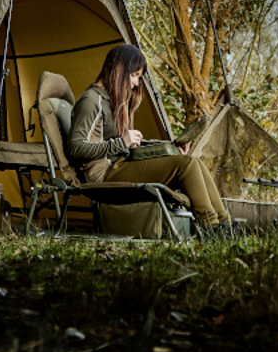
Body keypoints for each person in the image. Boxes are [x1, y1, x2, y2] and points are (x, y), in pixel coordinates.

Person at [66, 43, 230, 229]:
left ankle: (225, 223)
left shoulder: (112, 100)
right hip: (102, 175)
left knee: (192, 162)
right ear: (119, 69)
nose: (136, 83)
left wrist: (169, 149)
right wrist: (120, 143)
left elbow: (124, 146)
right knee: (186, 165)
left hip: (119, 165)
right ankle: (211, 227)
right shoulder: (91, 100)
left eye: (139, 77)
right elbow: (74, 148)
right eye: (134, 75)